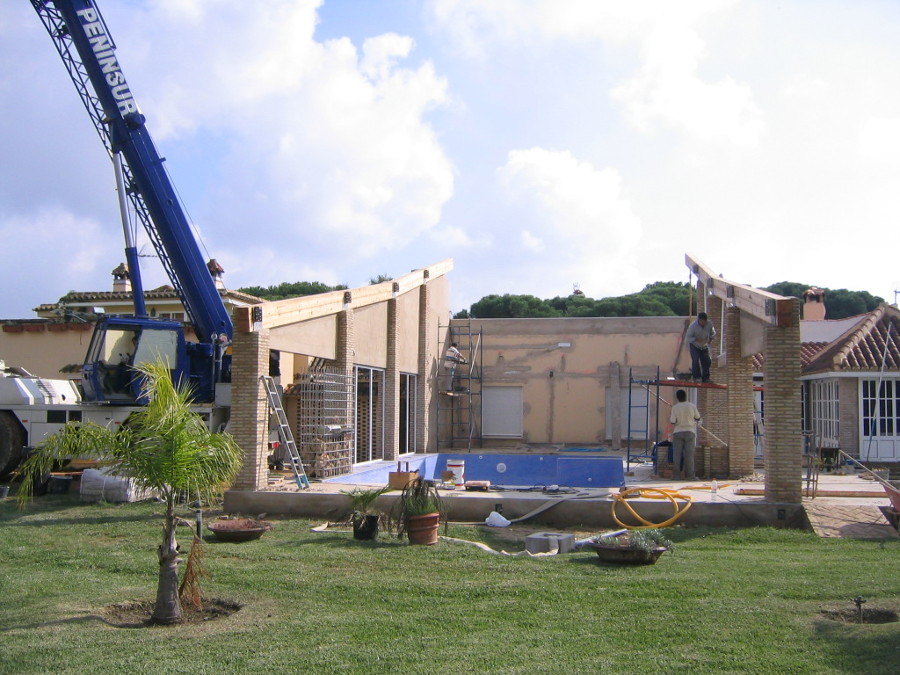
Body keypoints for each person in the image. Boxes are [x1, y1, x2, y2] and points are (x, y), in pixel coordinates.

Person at [669, 389, 701, 480]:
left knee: (677, 455)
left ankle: (676, 476)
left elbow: (672, 421)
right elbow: (698, 417)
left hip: (678, 432)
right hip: (690, 432)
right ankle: (690, 476)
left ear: (677, 398)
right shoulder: (692, 406)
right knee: (689, 455)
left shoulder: (675, 407)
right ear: (686, 396)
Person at [686, 311, 716, 383]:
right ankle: (697, 377)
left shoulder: (709, 324)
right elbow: (688, 338)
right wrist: (696, 339)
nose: (702, 323)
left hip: (704, 346)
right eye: (701, 321)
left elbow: (713, 333)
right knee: (695, 360)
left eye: (704, 321)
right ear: (698, 320)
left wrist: (710, 339)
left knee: (707, 361)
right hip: (694, 345)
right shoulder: (692, 326)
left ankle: (706, 378)